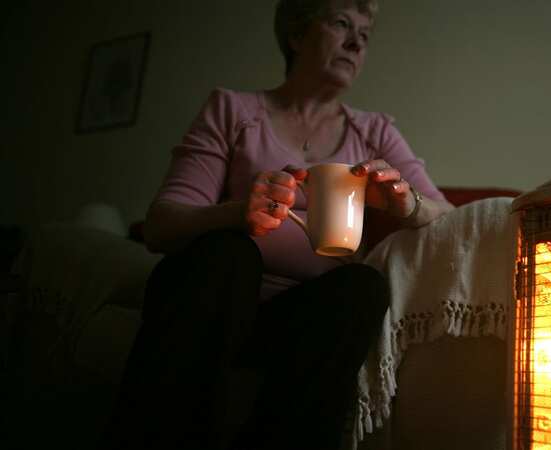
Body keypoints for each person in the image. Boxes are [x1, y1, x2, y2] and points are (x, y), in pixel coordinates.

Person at [99, 0, 454, 449]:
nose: (355, 42)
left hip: (301, 317)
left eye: (364, 35)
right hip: (217, 298)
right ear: (297, 35)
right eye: (342, 24)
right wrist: (237, 211)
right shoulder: (232, 109)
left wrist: (408, 204)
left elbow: (446, 214)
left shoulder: (375, 131)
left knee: (362, 286)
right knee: (228, 252)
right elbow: (160, 227)